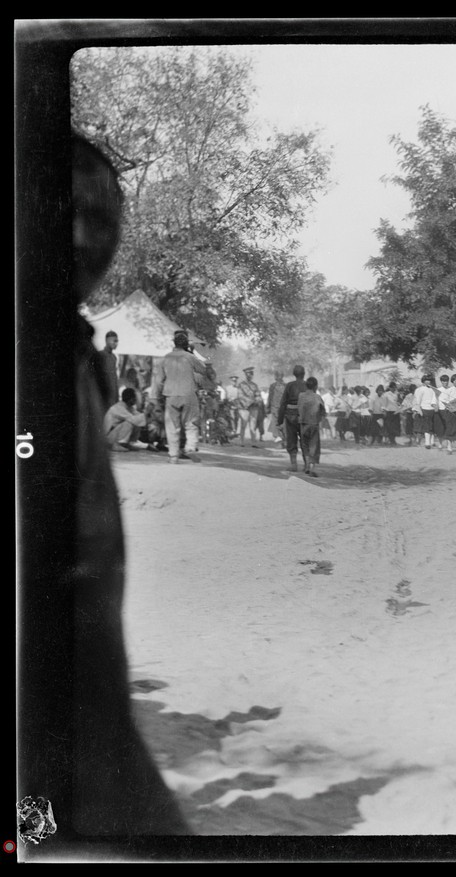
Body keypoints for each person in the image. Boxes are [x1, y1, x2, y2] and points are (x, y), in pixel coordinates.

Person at [27, 131, 190, 833]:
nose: (92, 236)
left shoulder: (82, 351)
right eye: (72, 211)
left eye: (106, 214)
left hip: (88, 678)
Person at [149, 330, 206, 463]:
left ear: (174, 343)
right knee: (191, 423)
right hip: (188, 394)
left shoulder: (165, 358)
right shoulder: (189, 357)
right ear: (186, 344)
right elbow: (203, 369)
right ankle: (191, 447)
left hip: (171, 395)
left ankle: (173, 456)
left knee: (172, 426)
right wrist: (192, 353)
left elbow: (158, 381)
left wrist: (155, 398)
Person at [275, 364, 308, 472]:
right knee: (305, 440)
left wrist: (279, 420)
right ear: (304, 374)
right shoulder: (308, 385)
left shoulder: (289, 385)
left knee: (291, 440)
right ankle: (307, 464)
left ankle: (294, 465)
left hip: (291, 416)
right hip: (305, 416)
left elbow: (283, 403)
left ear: (294, 374)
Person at [103, 387, 148, 451]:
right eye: (135, 398)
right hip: (109, 438)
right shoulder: (118, 407)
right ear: (131, 399)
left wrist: (147, 414)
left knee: (138, 421)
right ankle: (119, 444)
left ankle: (128, 443)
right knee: (129, 422)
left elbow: (139, 417)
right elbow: (133, 419)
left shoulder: (129, 408)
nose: (136, 400)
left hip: (114, 435)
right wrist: (147, 413)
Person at [298, 376, 326, 476]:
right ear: (315, 386)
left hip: (303, 423)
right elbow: (323, 411)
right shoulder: (317, 397)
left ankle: (306, 466)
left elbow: (299, 408)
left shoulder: (301, 396)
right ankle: (313, 468)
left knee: (304, 445)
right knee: (314, 446)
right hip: (314, 424)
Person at [236, 366, 263, 447]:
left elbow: (258, 395)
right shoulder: (241, 385)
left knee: (253, 425)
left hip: (254, 407)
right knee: (243, 425)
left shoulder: (255, 385)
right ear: (245, 374)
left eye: (251, 374)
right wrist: (250, 401)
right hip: (244, 408)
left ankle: (253, 442)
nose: (249, 375)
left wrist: (258, 399)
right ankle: (241, 442)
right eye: (248, 374)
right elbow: (240, 396)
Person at [94, 329, 121, 408]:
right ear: (107, 341)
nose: (116, 343)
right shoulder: (100, 355)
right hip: (103, 395)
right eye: (114, 341)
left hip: (113, 395)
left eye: (117, 341)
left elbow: (114, 377)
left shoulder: (114, 357)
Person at [413, 374, 439, 449]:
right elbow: (418, 400)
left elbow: (434, 399)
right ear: (423, 381)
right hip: (424, 409)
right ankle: (427, 443)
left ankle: (431, 442)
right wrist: (419, 410)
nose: (428, 382)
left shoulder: (433, 389)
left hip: (431, 409)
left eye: (429, 380)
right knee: (426, 427)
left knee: (431, 427)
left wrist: (435, 407)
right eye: (426, 380)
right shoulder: (420, 389)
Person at [266, 371, 288, 445]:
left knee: (277, 424)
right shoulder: (286, 385)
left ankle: (281, 441)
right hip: (281, 408)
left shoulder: (274, 386)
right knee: (282, 424)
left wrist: (268, 407)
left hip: (277, 408)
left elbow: (270, 397)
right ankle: (283, 441)